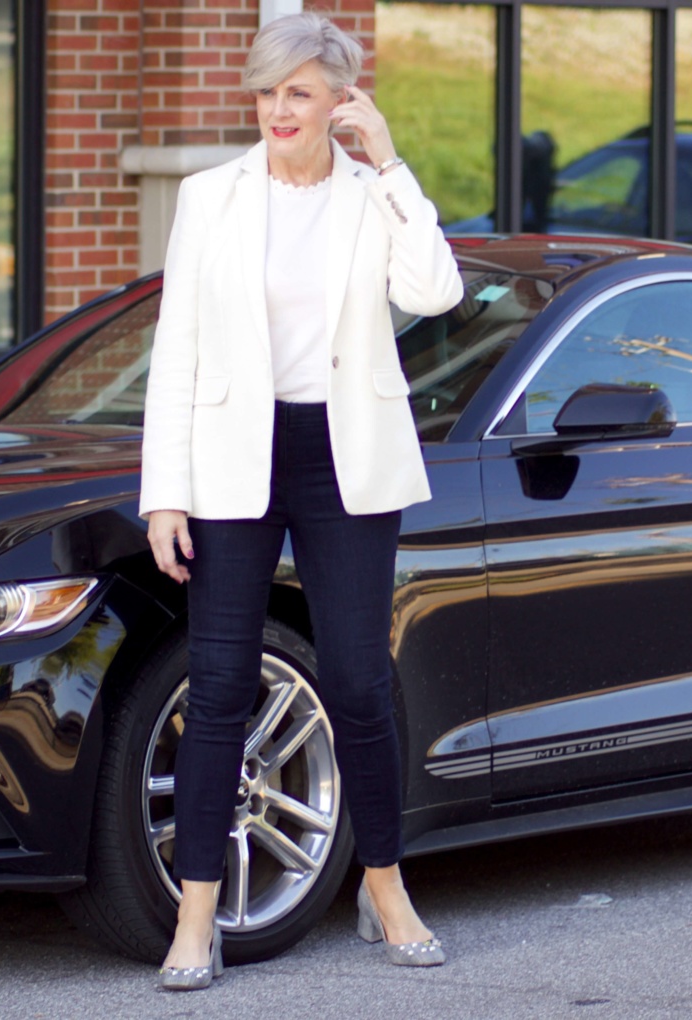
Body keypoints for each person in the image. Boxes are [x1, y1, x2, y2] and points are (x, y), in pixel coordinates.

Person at [138, 11, 463, 993]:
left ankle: (386, 887)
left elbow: (437, 291)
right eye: (268, 91)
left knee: (361, 683)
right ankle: (198, 914)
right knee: (223, 684)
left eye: (300, 93)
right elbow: (177, 352)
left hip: (344, 456)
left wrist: (393, 165)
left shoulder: (372, 197)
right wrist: (166, 493)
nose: (278, 109)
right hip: (237, 455)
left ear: (339, 102)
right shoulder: (211, 198)